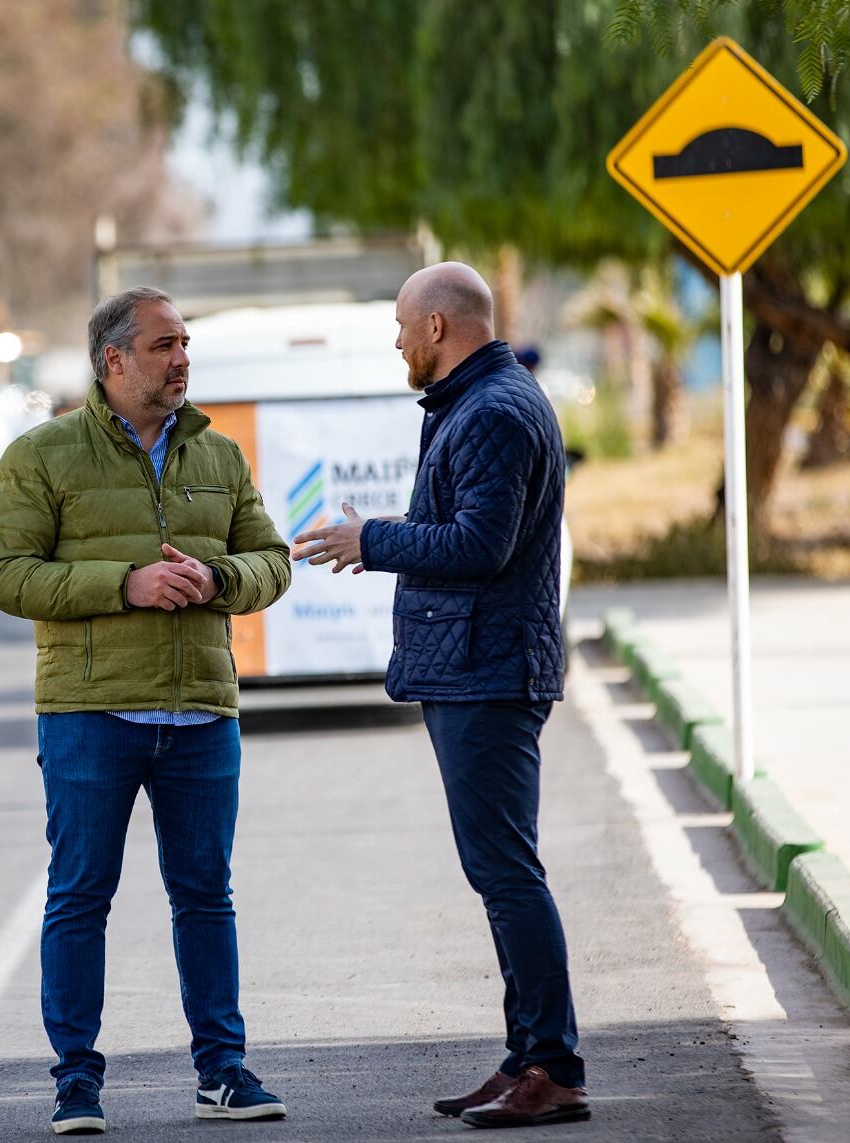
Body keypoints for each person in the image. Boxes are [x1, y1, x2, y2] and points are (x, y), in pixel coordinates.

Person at [0, 286, 292, 1134]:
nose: (182, 358)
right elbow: (5, 574)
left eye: (185, 342)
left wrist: (220, 578)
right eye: (163, 345)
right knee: (81, 894)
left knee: (205, 894)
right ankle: (75, 1081)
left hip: (202, 709)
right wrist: (126, 584)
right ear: (112, 360)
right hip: (90, 712)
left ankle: (223, 1072)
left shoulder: (219, 456)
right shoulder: (41, 457)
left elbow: (272, 560)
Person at [290, 262, 589, 1129]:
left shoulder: (494, 409)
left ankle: (555, 1067)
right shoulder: (480, 401)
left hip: (489, 673)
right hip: (476, 666)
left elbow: (480, 545)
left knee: (506, 873)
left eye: (399, 325)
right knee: (499, 871)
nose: (394, 341)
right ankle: (528, 1055)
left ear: (436, 328)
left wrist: (369, 537)